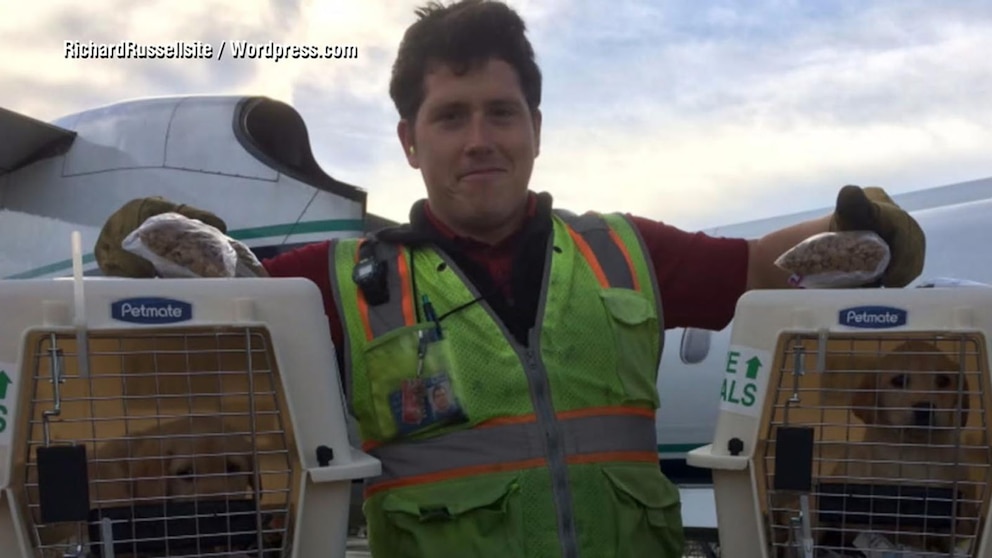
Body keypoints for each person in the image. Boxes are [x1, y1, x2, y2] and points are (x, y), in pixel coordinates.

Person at [93, 1, 926, 556]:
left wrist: (858, 231)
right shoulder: (338, 279)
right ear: (410, 142)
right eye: (451, 117)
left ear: (535, 128)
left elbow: (757, 270)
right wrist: (152, 242)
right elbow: (223, 298)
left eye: (501, 112)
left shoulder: (626, 249)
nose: (479, 139)